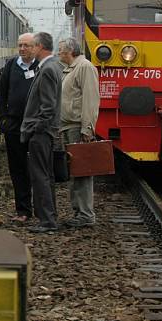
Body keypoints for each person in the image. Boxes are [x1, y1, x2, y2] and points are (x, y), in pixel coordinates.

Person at [21, 32, 63, 234]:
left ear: (40, 47)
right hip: (46, 131)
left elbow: (48, 106)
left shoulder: (47, 69)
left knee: (40, 176)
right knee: (47, 175)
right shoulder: (53, 66)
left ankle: (47, 221)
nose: (31, 49)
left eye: (33, 45)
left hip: (41, 132)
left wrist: (36, 128)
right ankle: (50, 216)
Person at [0, 33, 39, 224]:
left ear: (35, 47)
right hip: (14, 125)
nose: (22, 49)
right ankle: (23, 210)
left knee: (39, 168)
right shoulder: (11, 66)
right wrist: (4, 118)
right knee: (17, 168)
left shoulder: (41, 67)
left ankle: (42, 209)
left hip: (36, 125)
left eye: (26, 46)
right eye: (20, 45)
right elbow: (1, 93)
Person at [58, 38, 100, 228]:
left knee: (82, 172)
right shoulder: (71, 68)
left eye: (61, 51)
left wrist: (87, 128)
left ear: (70, 52)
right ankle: (79, 212)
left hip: (77, 127)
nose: (59, 54)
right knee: (76, 172)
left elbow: (91, 99)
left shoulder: (84, 67)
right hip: (69, 126)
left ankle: (85, 214)